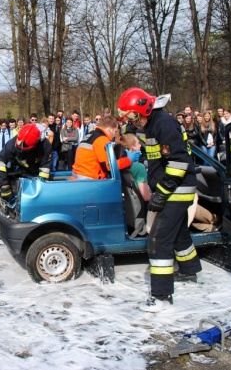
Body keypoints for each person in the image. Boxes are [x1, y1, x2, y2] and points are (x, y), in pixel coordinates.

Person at [118, 87, 201, 312]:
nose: (133, 123)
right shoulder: (151, 124)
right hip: (170, 188)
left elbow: (179, 164)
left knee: (159, 239)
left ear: (144, 110)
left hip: (177, 189)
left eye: (134, 117)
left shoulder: (164, 124)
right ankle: (190, 269)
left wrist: (161, 193)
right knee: (178, 232)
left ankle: (162, 297)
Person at [0, 124, 52, 203]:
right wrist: (4, 185)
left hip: (37, 172)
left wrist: (40, 187)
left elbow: (45, 168)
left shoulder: (45, 146)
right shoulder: (12, 144)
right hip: (22, 172)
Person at [71, 115, 139, 180]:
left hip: (77, 178)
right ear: (110, 129)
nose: (115, 135)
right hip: (89, 181)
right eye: (115, 131)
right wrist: (128, 160)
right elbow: (109, 166)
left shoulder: (90, 136)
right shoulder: (102, 139)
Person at [118, 134, 151, 202]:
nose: (140, 145)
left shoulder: (117, 166)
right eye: (138, 143)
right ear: (132, 147)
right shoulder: (139, 168)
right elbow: (146, 197)